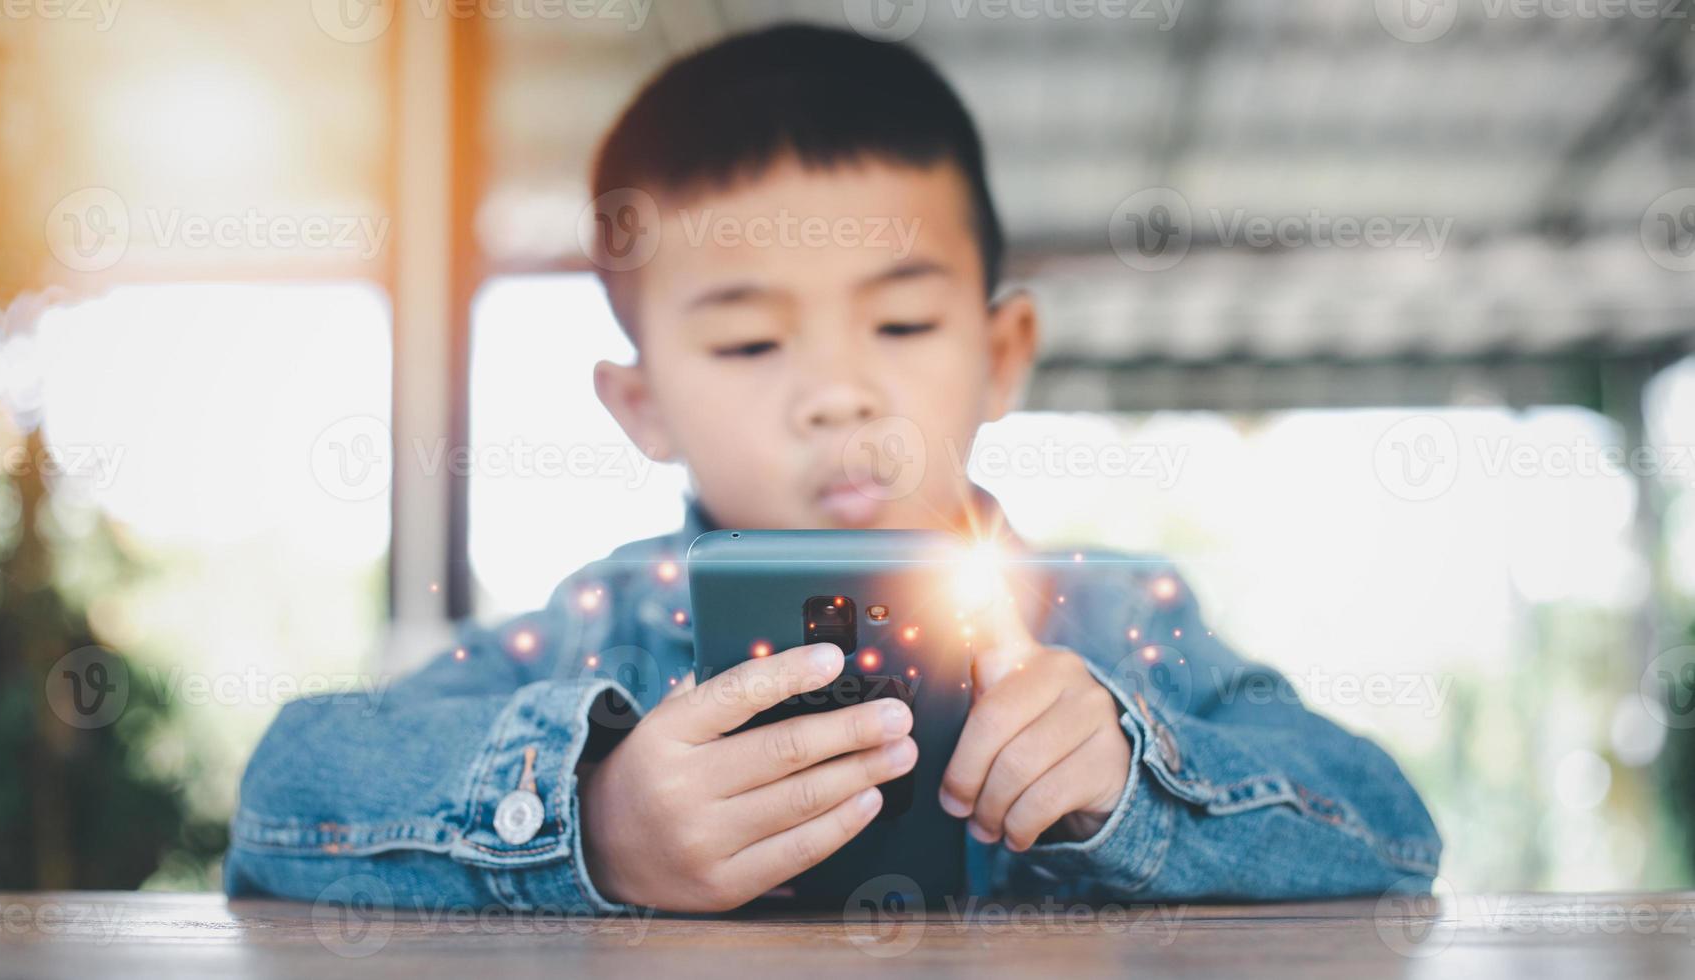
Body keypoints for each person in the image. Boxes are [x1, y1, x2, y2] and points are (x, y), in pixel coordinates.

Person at [225, 24, 1440, 914]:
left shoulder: (1120, 621)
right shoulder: (607, 627)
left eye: (900, 325)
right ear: (642, 403)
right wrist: (593, 820)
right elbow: (289, 789)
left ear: (1000, 351)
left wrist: (1136, 778)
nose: (836, 390)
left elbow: (1385, 825)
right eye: (751, 340)